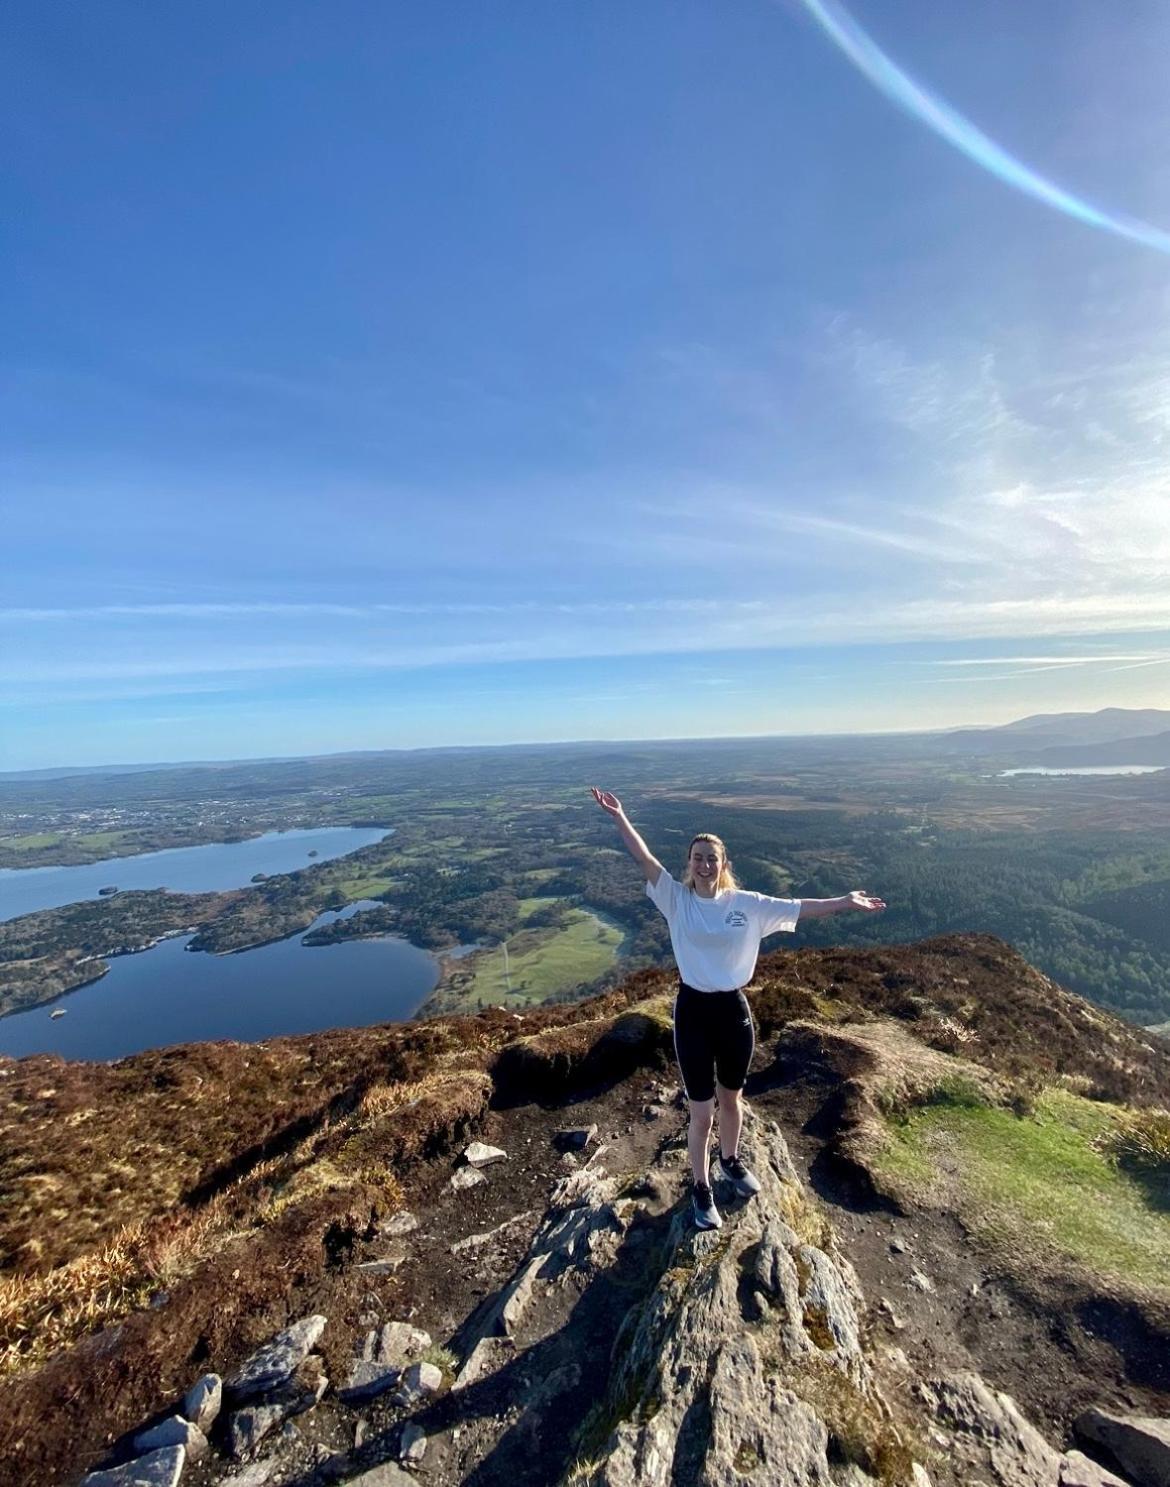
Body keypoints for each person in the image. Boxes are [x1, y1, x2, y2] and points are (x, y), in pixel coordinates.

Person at [591, 787, 886, 1230]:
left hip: (734, 1012)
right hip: (692, 1013)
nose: (705, 864)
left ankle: (730, 1160)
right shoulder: (676, 900)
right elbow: (643, 858)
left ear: (723, 864)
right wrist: (619, 816)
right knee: (702, 1111)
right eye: (697, 858)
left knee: (732, 1100)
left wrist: (845, 901)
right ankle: (701, 1185)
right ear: (688, 864)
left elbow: (800, 908)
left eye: (712, 858)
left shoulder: (747, 905)